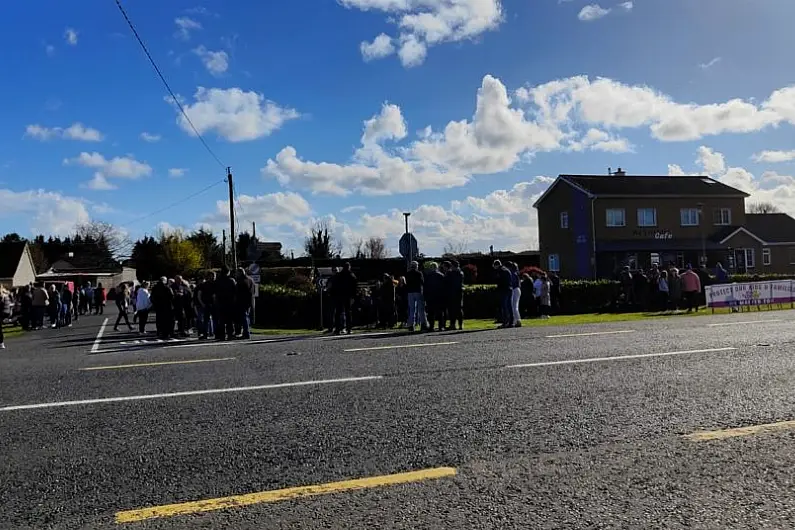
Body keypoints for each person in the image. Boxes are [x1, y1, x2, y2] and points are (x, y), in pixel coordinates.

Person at [332, 263, 357, 335]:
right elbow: (354, 287)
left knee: (338, 312)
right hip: (348, 296)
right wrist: (353, 297)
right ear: (349, 267)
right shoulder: (351, 275)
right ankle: (349, 329)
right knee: (348, 312)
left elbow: (334, 286)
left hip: (339, 296)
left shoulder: (338, 275)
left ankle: (337, 329)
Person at [214, 268, 237, 341]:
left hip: (220, 303)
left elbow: (215, 293)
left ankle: (222, 335)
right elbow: (235, 292)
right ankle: (230, 335)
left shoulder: (218, 281)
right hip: (229, 303)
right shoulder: (231, 281)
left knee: (221, 321)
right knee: (229, 321)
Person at [235, 268, 256, 339]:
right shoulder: (251, 280)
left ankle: (246, 333)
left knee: (244, 317)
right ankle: (246, 331)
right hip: (250, 301)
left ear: (240, 273)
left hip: (242, 301)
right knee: (247, 317)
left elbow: (238, 293)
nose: (236, 274)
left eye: (237, 273)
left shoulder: (241, 281)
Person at [424, 262, 446, 331]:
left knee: (431, 313)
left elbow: (425, 287)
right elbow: (444, 287)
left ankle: (431, 326)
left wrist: (425, 296)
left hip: (430, 296)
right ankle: (440, 326)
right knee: (440, 312)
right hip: (439, 296)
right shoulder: (441, 275)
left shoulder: (428, 276)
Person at [405, 261, 426, 332]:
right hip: (418, 291)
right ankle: (423, 324)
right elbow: (422, 282)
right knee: (421, 309)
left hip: (410, 292)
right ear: (416, 266)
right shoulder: (419, 273)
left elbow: (407, 283)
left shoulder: (407, 274)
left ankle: (411, 325)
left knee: (411, 309)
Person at [195, 272, 216, 340]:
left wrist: (202, 303)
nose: (213, 277)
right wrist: (202, 303)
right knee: (211, 319)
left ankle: (206, 334)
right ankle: (211, 333)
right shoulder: (213, 284)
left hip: (208, 304)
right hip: (209, 304)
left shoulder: (204, 284)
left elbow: (199, 294)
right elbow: (199, 294)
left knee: (207, 320)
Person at [445, 260, 464, 330]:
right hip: (459, 293)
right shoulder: (461, 273)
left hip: (451, 293)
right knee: (459, 309)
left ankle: (452, 324)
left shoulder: (450, 273)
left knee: (451, 310)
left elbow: (446, 282)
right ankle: (460, 324)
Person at [493, 260, 513, 328]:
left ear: (496, 265)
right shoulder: (507, 270)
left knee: (504, 307)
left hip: (503, 290)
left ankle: (505, 322)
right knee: (509, 306)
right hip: (509, 289)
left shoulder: (500, 271)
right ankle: (511, 322)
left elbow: (500, 281)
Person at [508, 262, 522, 327]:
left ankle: (517, 320)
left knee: (514, 306)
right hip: (517, 289)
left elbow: (512, 283)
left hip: (515, 290)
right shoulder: (516, 273)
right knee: (515, 306)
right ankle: (516, 320)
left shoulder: (512, 274)